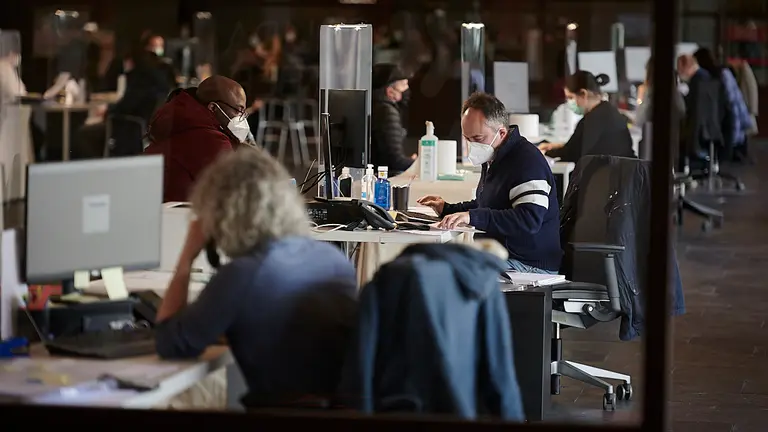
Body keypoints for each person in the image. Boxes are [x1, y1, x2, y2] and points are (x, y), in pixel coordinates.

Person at [155, 149, 357, 409]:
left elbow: (170, 344)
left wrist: (187, 257)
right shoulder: (332, 259)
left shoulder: (243, 274)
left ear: (222, 215)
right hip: (343, 414)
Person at [418, 92, 561, 274]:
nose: (472, 145)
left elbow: (528, 219)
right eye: (467, 139)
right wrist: (448, 209)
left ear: (501, 132)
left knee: (441, 273)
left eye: (477, 139)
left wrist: (473, 217)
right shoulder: (495, 156)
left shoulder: (527, 161)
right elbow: (490, 204)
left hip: (529, 265)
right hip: (505, 256)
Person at [144, 75, 252, 202]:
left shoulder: (181, 117)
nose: (242, 118)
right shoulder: (211, 139)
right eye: (239, 111)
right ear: (213, 107)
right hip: (179, 214)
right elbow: (233, 192)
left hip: (153, 204)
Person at [539, 71, 635, 162]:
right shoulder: (607, 110)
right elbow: (576, 147)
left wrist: (545, 153)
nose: (569, 102)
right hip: (622, 173)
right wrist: (557, 147)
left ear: (583, 94)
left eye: (570, 97)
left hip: (607, 176)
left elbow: (572, 154)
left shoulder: (592, 120)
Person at [694, 47, 754, 161]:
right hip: (728, 129)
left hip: (729, 131)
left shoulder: (721, 76)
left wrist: (731, 138)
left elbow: (732, 107)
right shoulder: (718, 76)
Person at [371, 64, 416, 175]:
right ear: (390, 92)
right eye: (404, 85)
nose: (407, 89)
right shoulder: (387, 112)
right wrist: (417, 163)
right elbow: (394, 160)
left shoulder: (377, 107)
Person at [728, 45, 759, 139]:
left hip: (746, 106)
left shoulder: (745, 70)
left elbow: (752, 89)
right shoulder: (740, 70)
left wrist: (752, 110)